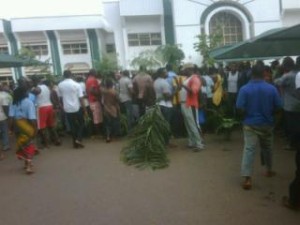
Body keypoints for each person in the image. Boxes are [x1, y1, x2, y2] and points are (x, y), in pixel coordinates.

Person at [236, 63, 281, 190]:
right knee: (268, 148)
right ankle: (269, 170)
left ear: (251, 74)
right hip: (267, 123)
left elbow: (239, 108)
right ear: (264, 74)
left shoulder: (244, 89)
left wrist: (247, 113)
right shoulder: (271, 88)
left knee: (249, 149)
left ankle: (247, 178)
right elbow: (279, 106)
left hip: (250, 123)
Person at [275, 56, 300, 209]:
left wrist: (281, 72)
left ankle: (294, 200)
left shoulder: (290, 76)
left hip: (291, 108)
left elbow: (276, 82)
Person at [9, 84, 37, 174]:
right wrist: (35, 128)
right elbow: (32, 118)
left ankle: (26, 163)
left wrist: (10, 128)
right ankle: (29, 166)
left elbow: (11, 117)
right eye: (26, 91)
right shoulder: (29, 102)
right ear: (24, 93)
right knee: (29, 145)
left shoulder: (13, 103)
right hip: (27, 125)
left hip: (17, 126)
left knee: (23, 144)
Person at [58, 70, 86, 148]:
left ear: (64, 76)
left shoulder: (60, 85)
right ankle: (79, 139)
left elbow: (60, 98)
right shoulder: (76, 85)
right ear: (71, 75)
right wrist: (84, 109)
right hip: (77, 107)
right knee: (82, 123)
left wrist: (62, 106)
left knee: (72, 125)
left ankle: (75, 143)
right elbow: (81, 98)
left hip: (67, 108)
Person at [179, 64, 204, 152]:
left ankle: (199, 144)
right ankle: (192, 142)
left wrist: (183, 86)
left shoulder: (195, 78)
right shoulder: (187, 78)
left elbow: (194, 91)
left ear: (189, 69)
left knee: (193, 124)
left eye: (184, 70)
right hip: (184, 104)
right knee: (188, 124)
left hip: (190, 104)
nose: (183, 71)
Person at [31, 76, 60, 147]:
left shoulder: (37, 88)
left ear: (34, 81)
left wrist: (31, 89)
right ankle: (57, 140)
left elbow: (36, 91)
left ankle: (46, 143)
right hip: (49, 106)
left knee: (42, 127)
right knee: (51, 125)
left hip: (41, 108)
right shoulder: (46, 86)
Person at [86, 69, 103, 136]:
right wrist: (99, 94)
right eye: (96, 72)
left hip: (91, 100)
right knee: (97, 118)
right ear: (93, 73)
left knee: (95, 117)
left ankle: (97, 132)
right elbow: (91, 90)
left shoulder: (88, 79)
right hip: (94, 100)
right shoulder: (93, 80)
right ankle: (98, 133)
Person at [0, 83, 12, 160]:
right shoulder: (3, 96)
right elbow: (5, 107)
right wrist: (8, 116)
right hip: (2, 116)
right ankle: (5, 145)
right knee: (4, 131)